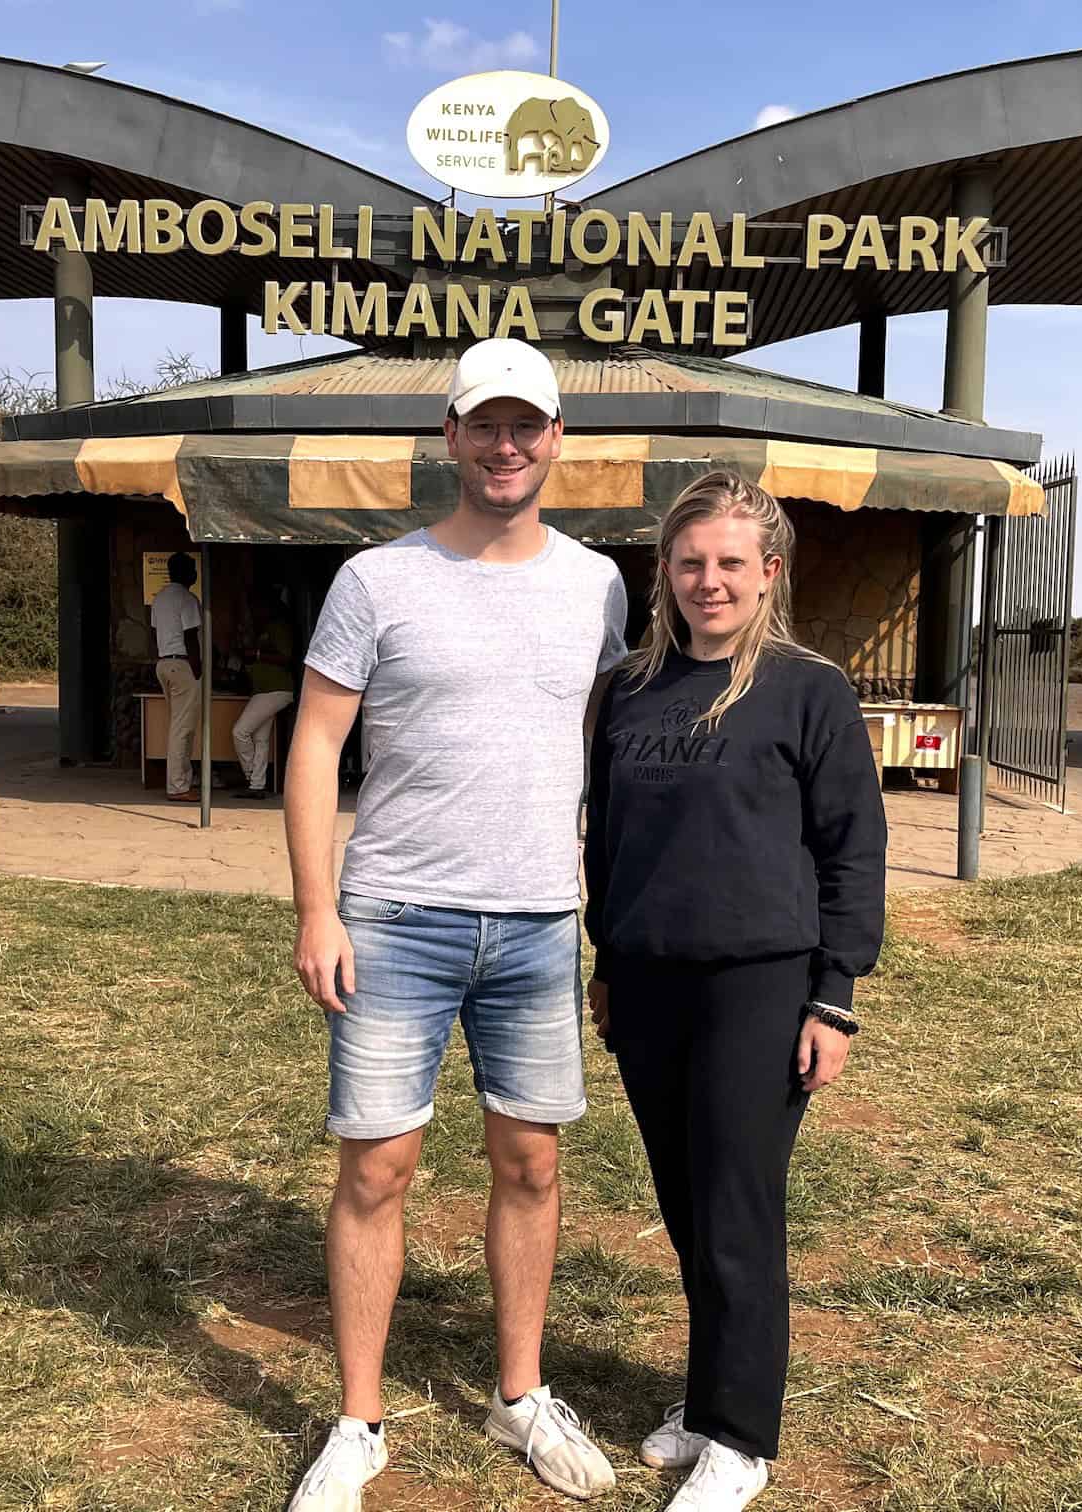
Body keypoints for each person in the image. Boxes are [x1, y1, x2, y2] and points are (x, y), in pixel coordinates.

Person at [283, 337, 630, 1512]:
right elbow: (317, 742)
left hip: (536, 923)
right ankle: (358, 1421)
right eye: (485, 424)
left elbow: (607, 749)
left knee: (530, 1161)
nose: (506, 445)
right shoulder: (377, 582)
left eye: (527, 425)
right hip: (395, 918)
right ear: (449, 439)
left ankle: (519, 1393)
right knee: (378, 1168)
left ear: (557, 441)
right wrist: (318, 909)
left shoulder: (597, 586)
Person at [583, 471, 886, 1512]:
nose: (708, 582)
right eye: (688, 561)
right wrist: (607, 962)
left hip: (761, 982)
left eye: (729, 564)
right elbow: (611, 840)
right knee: (684, 1201)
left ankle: (744, 1439)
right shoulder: (627, 688)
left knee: (736, 1207)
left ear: (769, 573)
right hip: (650, 978)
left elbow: (854, 848)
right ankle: (709, 1401)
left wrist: (834, 994)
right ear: (663, 572)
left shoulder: (809, 690)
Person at [149, 552, 204, 803]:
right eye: (192, 569)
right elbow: (191, 636)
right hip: (183, 665)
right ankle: (178, 786)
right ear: (185, 573)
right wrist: (198, 667)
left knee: (177, 726)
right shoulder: (187, 599)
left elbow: (154, 634)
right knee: (182, 729)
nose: (195, 574)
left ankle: (181, 779)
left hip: (163, 663)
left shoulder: (159, 598)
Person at [233, 616, 296, 800]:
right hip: (267, 690)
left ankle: (250, 772)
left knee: (239, 732)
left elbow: (286, 657)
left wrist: (257, 654)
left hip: (274, 690)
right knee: (261, 740)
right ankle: (256, 786)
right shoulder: (262, 629)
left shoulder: (277, 626)